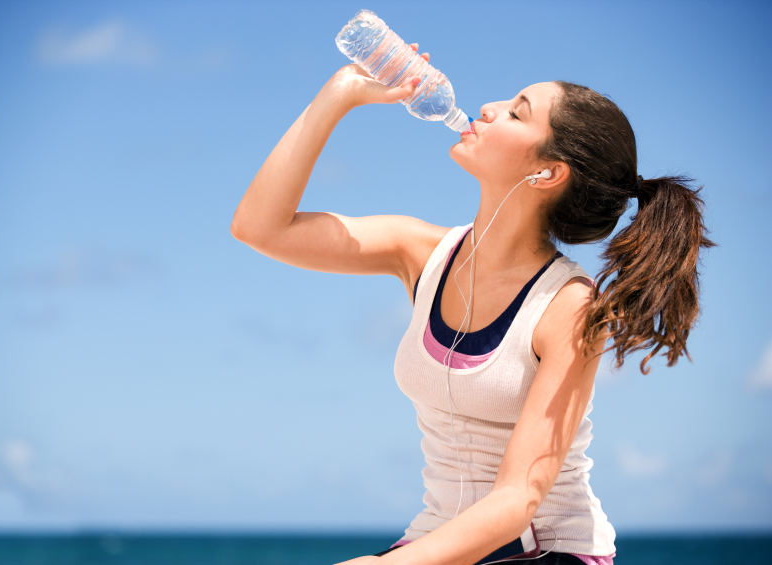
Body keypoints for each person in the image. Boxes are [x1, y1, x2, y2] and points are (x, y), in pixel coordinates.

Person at [230, 44, 712, 565]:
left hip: (549, 549)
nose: (489, 107)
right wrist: (339, 94)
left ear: (547, 173)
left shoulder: (567, 307)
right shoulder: (419, 253)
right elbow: (260, 227)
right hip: (437, 539)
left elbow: (517, 500)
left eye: (517, 113)